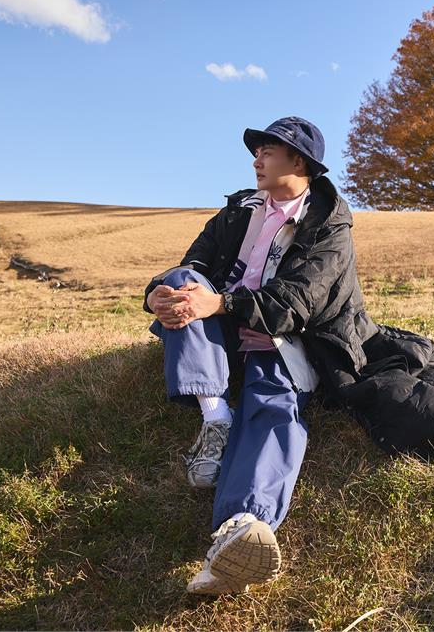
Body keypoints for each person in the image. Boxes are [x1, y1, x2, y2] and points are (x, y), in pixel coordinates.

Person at [143, 116, 351, 595]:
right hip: (221, 331)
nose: (256, 161)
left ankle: (240, 532)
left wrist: (223, 303)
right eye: (256, 153)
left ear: (298, 162)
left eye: (268, 153)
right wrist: (156, 295)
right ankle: (214, 417)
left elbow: (295, 306)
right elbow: (194, 264)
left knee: (275, 402)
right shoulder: (240, 210)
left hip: (286, 337)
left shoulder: (329, 227)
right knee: (179, 280)